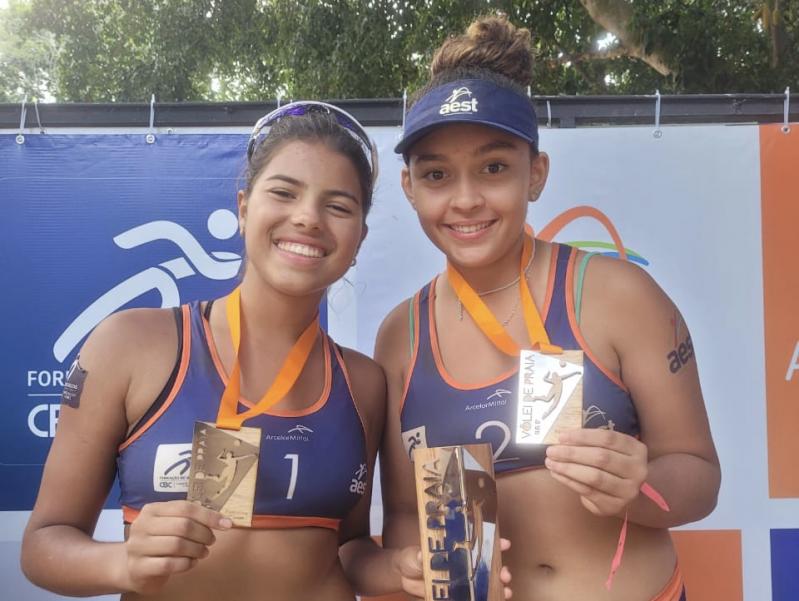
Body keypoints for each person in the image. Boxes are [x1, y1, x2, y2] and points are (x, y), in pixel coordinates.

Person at [376, 15, 720, 601]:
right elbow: (407, 515)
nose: (465, 199)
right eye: (437, 174)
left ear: (536, 174)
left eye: (494, 168)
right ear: (410, 188)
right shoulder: (399, 337)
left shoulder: (618, 295)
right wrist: (425, 572)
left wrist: (639, 490)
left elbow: (699, 475)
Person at [21, 101, 400, 601]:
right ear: (243, 208)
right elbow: (43, 545)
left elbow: (348, 546)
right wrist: (121, 562)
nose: (308, 218)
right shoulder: (131, 345)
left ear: (360, 237)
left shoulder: (364, 382)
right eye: (284, 192)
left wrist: (403, 570)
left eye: (338, 206)